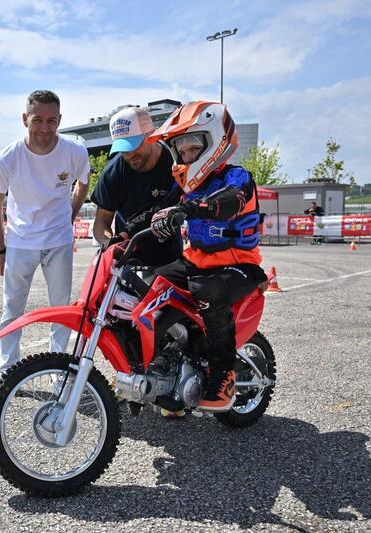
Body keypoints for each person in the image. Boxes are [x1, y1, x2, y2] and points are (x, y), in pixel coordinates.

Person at [146, 101, 267, 412]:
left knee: (206, 288)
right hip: (197, 260)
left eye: (191, 147)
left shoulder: (237, 177)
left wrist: (188, 209)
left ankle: (224, 373)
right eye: (180, 150)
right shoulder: (186, 184)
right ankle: (165, 367)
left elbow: (228, 203)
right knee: (148, 283)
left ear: (215, 142)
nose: (186, 156)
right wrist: (124, 233)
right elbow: (155, 210)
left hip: (239, 264)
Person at [0, 89, 90, 372]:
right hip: (21, 242)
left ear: (60, 120)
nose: (44, 128)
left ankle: (59, 373)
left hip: (59, 241)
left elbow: (84, 183)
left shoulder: (75, 152)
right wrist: (1, 249)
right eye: (37, 120)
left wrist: (69, 215)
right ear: (25, 119)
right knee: (12, 311)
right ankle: (7, 372)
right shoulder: (8, 158)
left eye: (51, 121)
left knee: (61, 311)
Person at [90, 106, 182, 268]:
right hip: (129, 257)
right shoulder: (114, 171)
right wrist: (109, 243)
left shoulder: (175, 163)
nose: (129, 155)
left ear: (150, 136)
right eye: (122, 149)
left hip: (171, 257)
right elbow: (101, 221)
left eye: (133, 146)